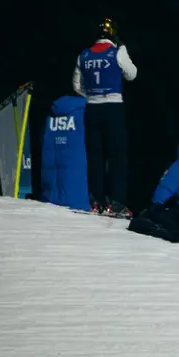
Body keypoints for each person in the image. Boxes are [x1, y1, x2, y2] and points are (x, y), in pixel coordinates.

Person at [74, 17, 139, 216]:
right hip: (113, 107)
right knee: (117, 156)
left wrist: (93, 95)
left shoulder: (83, 55)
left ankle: (97, 202)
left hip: (92, 109)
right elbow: (132, 74)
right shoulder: (118, 51)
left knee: (95, 156)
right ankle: (117, 203)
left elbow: (77, 86)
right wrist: (124, 50)